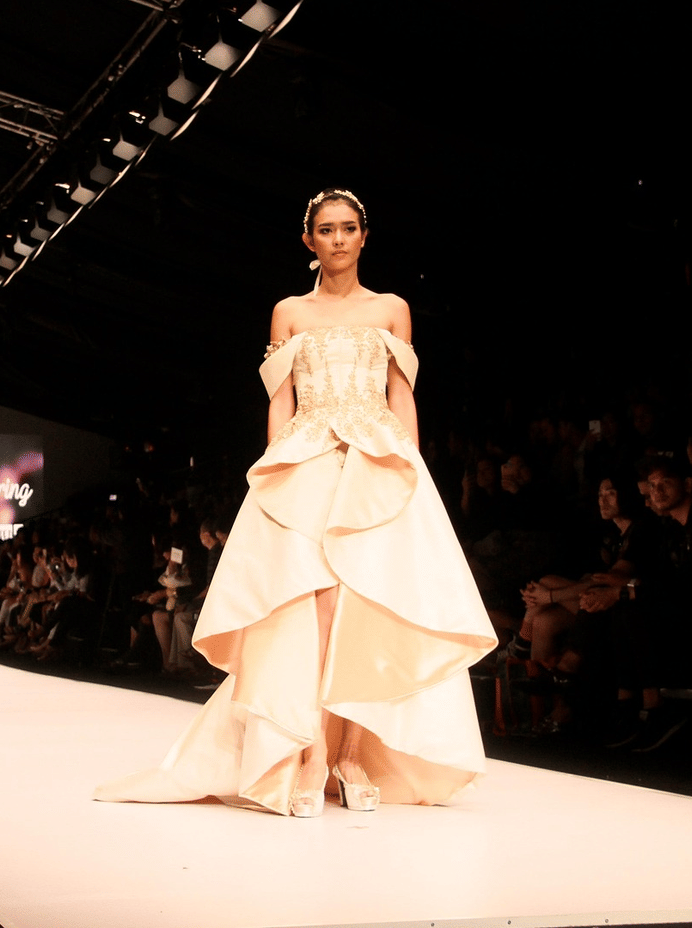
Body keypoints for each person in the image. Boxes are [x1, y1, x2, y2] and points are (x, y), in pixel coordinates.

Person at [95, 189, 497, 817]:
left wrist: (410, 468)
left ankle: (352, 753)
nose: (338, 239)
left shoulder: (393, 309)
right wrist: (272, 469)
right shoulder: (288, 313)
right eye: (326, 230)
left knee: (370, 602)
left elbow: (401, 393)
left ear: (365, 236)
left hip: (378, 464)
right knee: (315, 606)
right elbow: (280, 400)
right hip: (306, 460)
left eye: (349, 228)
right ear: (308, 241)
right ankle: (311, 752)